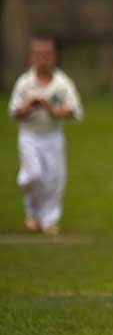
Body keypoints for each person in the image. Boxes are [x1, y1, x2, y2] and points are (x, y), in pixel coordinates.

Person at [8, 36, 84, 236]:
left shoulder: (62, 84)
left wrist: (55, 111)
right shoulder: (25, 83)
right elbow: (14, 112)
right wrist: (27, 108)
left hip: (53, 137)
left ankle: (49, 220)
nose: (43, 59)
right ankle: (32, 213)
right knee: (33, 175)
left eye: (47, 55)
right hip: (29, 137)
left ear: (55, 57)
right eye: (38, 55)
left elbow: (75, 111)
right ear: (31, 58)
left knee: (54, 180)